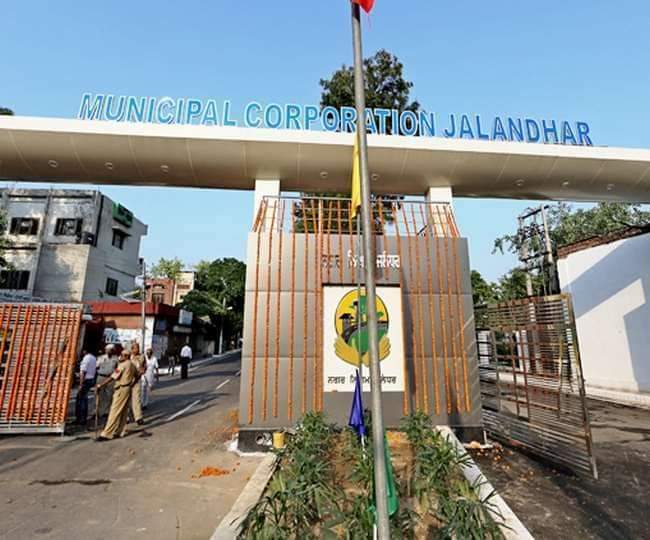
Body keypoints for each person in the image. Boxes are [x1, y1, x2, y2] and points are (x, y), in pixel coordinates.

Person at [96, 351, 137, 441]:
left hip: (121, 388)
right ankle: (119, 431)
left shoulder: (122, 365)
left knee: (114, 411)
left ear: (126, 356)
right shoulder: (132, 365)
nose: (120, 357)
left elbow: (113, 377)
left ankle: (107, 433)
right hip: (127, 388)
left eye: (121, 355)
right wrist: (132, 384)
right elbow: (137, 375)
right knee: (123, 411)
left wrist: (101, 385)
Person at [95, 344, 119, 417]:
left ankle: (106, 411)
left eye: (110, 350)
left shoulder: (116, 359)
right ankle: (97, 411)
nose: (108, 351)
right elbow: (96, 367)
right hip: (101, 377)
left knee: (109, 395)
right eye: (107, 349)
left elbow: (118, 369)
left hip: (110, 378)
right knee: (99, 394)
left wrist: (115, 376)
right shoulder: (101, 358)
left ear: (113, 351)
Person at [75, 349, 97, 427]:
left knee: (81, 400)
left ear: (85, 351)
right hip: (91, 379)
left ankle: (81, 419)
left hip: (85, 380)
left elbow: (83, 372)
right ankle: (82, 419)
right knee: (84, 399)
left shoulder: (86, 358)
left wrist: (80, 384)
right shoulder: (93, 358)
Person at [129, 342, 146, 425]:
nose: (137, 349)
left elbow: (143, 368)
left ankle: (138, 417)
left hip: (136, 379)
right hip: (127, 380)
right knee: (126, 399)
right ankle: (126, 417)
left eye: (138, 348)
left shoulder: (141, 357)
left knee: (136, 399)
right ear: (132, 349)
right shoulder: (128, 356)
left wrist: (137, 378)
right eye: (136, 348)